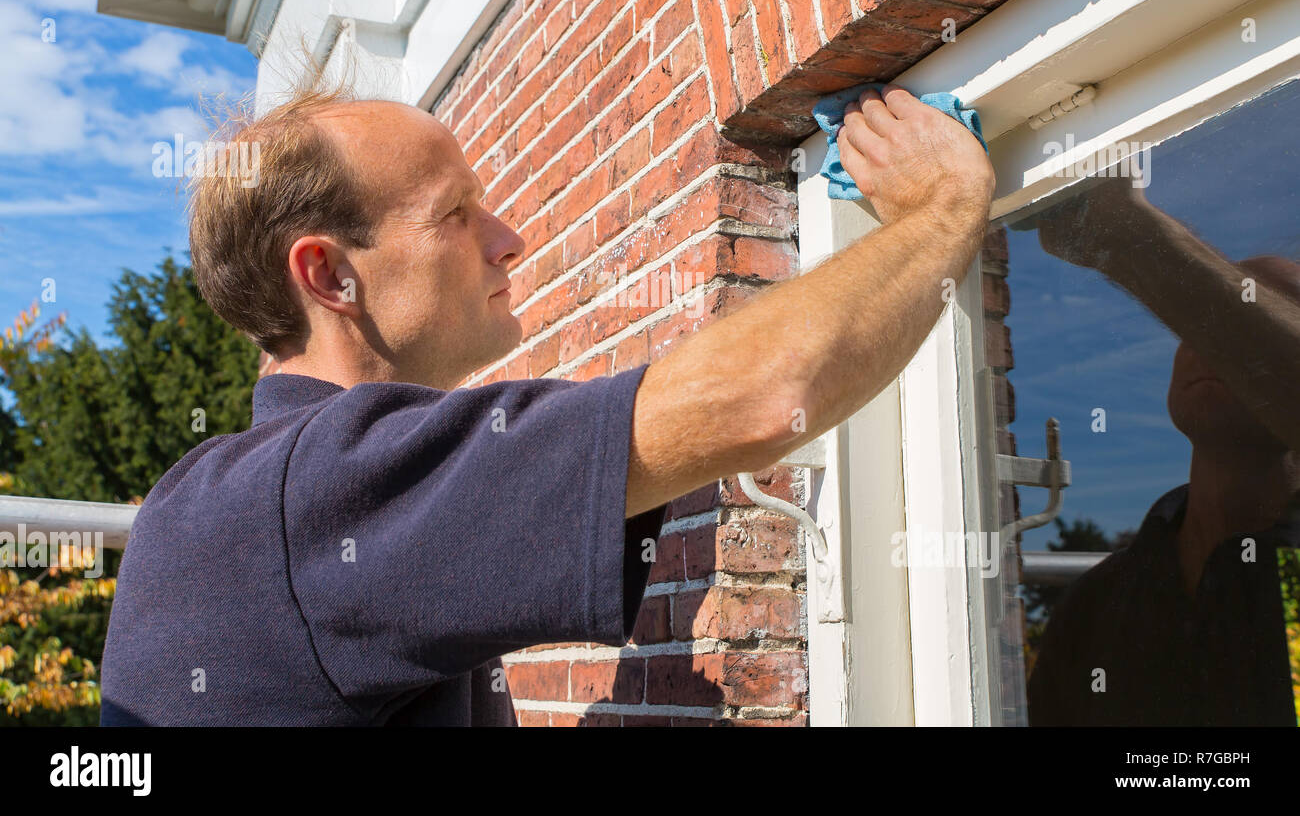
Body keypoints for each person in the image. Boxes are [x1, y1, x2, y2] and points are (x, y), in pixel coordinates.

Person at [99, 82, 996, 725]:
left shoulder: (226, 496)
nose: (508, 239)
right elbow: (767, 398)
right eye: (456, 214)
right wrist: (944, 208)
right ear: (330, 273)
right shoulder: (318, 488)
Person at [1025, 177, 1300, 725]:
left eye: (1241, 324)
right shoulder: (1097, 602)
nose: (1205, 343)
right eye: (1195, 324)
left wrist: (1119, 224)